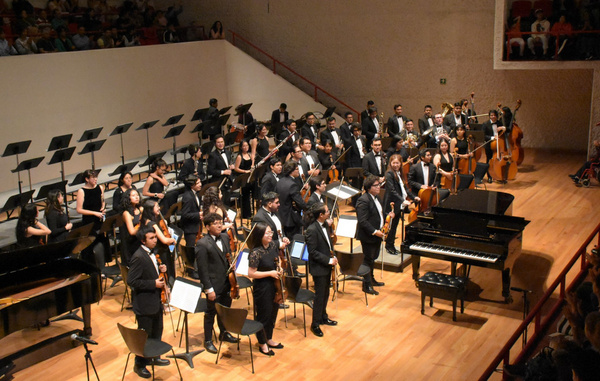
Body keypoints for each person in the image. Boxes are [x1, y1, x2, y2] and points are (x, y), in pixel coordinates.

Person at [127, 226, 170, 379]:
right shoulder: (138, 257)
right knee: (145, 336)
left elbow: (151, 271)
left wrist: (161, 269)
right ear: (143, 241)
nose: (155, 240)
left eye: (155, 237)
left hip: (156, 301)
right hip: (144, 304)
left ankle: (154, 357)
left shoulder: (153, 253)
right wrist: (153, 284)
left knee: (157, 331)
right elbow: (131, 281)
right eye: (151, 238)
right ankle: (139, 364)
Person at [195, 212, 239, 354]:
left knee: (225, 310)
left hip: (227, 282)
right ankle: (208, 339)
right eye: (215, 223)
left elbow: (227, 256)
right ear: (207, 227)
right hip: (213, 285)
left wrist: (231, 264)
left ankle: (224, 332)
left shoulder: (225, 237)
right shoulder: (202, 244)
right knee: (210, 313)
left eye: (220, 222)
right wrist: (209, 289)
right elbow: (202, 269)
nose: (219, 225)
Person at [247, 222, 285, 355]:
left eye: (271, 232)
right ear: (259, 235)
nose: (270, 235)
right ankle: (262, 343)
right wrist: (270, 273)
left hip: (274, 284)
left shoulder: (273, 245)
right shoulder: (255, 253)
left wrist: (279, 267)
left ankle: (269, 338)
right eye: (267, 233)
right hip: (262, 287)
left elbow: (277, 259)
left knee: (273, 313)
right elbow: (251, 273)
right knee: (264, 315)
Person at [304, 202, 338, 337]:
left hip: (327, 265)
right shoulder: (312, 230)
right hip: (319, 267)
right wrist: (328, 260)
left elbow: (329, 244)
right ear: (321, 215)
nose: (329, 212)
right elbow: (312, 252)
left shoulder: (324, 225)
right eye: (327, 211)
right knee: (319, 296)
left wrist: (333, 256)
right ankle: (315, 323)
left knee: (325, 294)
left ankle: (323, 316)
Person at [355, 175, 391, 295]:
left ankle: (371, 279)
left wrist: (388, 216)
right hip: (369, 235)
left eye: (379, 185)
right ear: (369, 187)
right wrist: (375, 232)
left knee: (373, 258)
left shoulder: (376, 198)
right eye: (376, 185)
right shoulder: (363, 200)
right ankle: (366, 285)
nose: (379, 187)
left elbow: (380, 213)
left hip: (377, 233)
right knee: (367, 259)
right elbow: (363, 221)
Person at [383, 154, 418, 255]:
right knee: (391, 226)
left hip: (398, 203)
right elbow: (392, 190)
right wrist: (403, 200)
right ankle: (389, 246)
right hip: (391, 203)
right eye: (393, 163)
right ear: (390, 163)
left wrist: (413, 196)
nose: (395, 165)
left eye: (397, 163)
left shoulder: (400, 173)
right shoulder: (389, 174)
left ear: (400, 163)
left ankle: (391, 244)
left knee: (394, 226)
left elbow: (405, 187)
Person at [140, 199, 177, 284]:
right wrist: (173, 239)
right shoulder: (152, 224)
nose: (159, 208)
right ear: (151, 209)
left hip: (155, 250)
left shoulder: (145, 220)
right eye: (156, 206)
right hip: (160, 252)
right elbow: (164, 240)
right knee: (166, 275)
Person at [276, 160, 307, 239]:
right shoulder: (292, 184)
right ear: (291, 171)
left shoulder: (280, 181)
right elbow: (299, 202)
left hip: (281, 216)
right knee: (293, 241)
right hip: (291, 219)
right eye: (297, 169)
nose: (298, 171)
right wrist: (308, 208)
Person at [207, 134, 234, 206]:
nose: (220, 144)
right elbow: (210, 170)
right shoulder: (213, 155)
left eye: (222, 142)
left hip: (228, 182)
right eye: (218, 142)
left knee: (227, 203)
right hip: (219, 183)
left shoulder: (228, 152)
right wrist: (223, 172)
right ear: (215, 144)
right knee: (220, 204)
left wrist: (232, 167)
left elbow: (228, 164)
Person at [119, 188, 142, 266]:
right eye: (133, 195)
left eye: (137, 195)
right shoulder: (126, 213)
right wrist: (143, 227)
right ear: (128, 198)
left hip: (140, 240)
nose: (136, 197)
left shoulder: (140, 209)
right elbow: (132, 232)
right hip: (131, 244)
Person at [482, 109, 505, 182]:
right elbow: (483, 135)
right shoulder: (485, 124)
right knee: (489, 160)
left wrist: (503, 128)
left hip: (499, 145)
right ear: (489, 116)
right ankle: (490, 176)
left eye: (494, 115)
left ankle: (499, 175)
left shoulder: (500, 123)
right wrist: (492, 138)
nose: (493, 117)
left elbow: (505, 133)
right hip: (489, 145)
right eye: (491, 115)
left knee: (499, 160)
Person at [233, 139, 254, 219]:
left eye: (247, 146)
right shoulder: (239, 156)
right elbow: (236, 168)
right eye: (244, 146)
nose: (246, 147)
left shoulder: (249, 155)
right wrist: (245, 171)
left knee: (249, 196)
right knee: (245, 196)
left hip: (250, 177)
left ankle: (250, 213)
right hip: (244, 178)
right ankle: (245, 214)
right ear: (241, 147)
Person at [180, 175, 202, 248]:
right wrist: (198, 214)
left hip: (195, 225)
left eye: (200, 182)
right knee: (190, 249)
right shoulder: (188, 197)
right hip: (190, 229)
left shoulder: (195, 194)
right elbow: (185, 214)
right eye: (198, 183)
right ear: (192, 185)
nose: (200, 184)